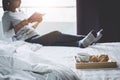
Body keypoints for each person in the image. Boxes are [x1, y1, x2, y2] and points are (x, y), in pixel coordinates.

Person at [2, 0, 103, 48]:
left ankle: (80, 43)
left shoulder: (20, 13)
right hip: (26, 41)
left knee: (55, 42)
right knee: (56, 34)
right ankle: (85, 37)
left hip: (34, 36)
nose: (19, 0)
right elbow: (7, 34)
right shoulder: (7, 15)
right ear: (8, 2)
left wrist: (37, 22)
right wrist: (28, 20)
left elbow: (28, 28)